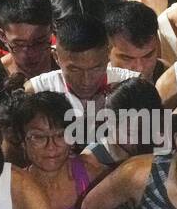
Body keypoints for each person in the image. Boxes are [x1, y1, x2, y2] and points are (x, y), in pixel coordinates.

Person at [24, 14, 138, 149]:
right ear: (56, 57)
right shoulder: (36, 91)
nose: (86, 80)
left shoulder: (134, 86)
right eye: (75, 70)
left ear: (108, 54)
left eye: (96, 68)